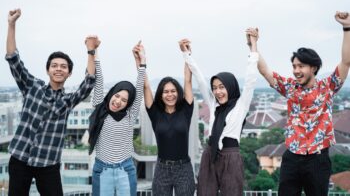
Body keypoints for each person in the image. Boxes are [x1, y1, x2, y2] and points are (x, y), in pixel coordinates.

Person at [255, 11, 350, 196]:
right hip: (292, 157)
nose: (296, 71)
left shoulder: (327, 86)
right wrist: (254, 46)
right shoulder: (290, 88)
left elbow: (346, 62)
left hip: (317, 159)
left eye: (301, 66)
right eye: (294, 66)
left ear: (313, 68)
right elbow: (265, 71)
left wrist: (347, 27)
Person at [6, 9, 99, 196]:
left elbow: (89, 82)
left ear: (69, 73)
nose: (59, 69)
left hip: (48, 163)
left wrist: (91, 51)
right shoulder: (32, 86)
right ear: (48, 70)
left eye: (63, 67)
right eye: (54, 66)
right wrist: (11, 24)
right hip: (20, 158)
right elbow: (13, 59)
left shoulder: (68, 100)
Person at [180, 31, 259, 196]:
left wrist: (253, 46)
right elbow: (200, 79)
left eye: (222, 87)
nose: (218, 91)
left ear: (230, 87)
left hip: (231, 156)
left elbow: (251, 80)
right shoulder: (213, 104)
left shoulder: (241, 105)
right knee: (205, 192)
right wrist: (187, 54)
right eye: (215, 87)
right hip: (210, 153)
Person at [88, 41, 146, 196]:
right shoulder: (100, 108)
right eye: (117, 95)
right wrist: (95, 52)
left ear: (128, 104)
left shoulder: (130, 115)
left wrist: (142, 62)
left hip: (125, 170)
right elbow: (98, 80)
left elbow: (139, 88)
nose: (118, 101)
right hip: (102, 170)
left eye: (124, 100)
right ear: (112, 93)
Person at [143, 42, 195, 196]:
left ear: (178, 93)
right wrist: (141, 61)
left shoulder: (186, 110)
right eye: (166, 91)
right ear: (160, 94)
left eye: (173, 91)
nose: (170, 94)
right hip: (162, 169)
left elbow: (187, 80)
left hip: (184, 168)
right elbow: (146, 86)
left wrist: (186, 54)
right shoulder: (155, 113)